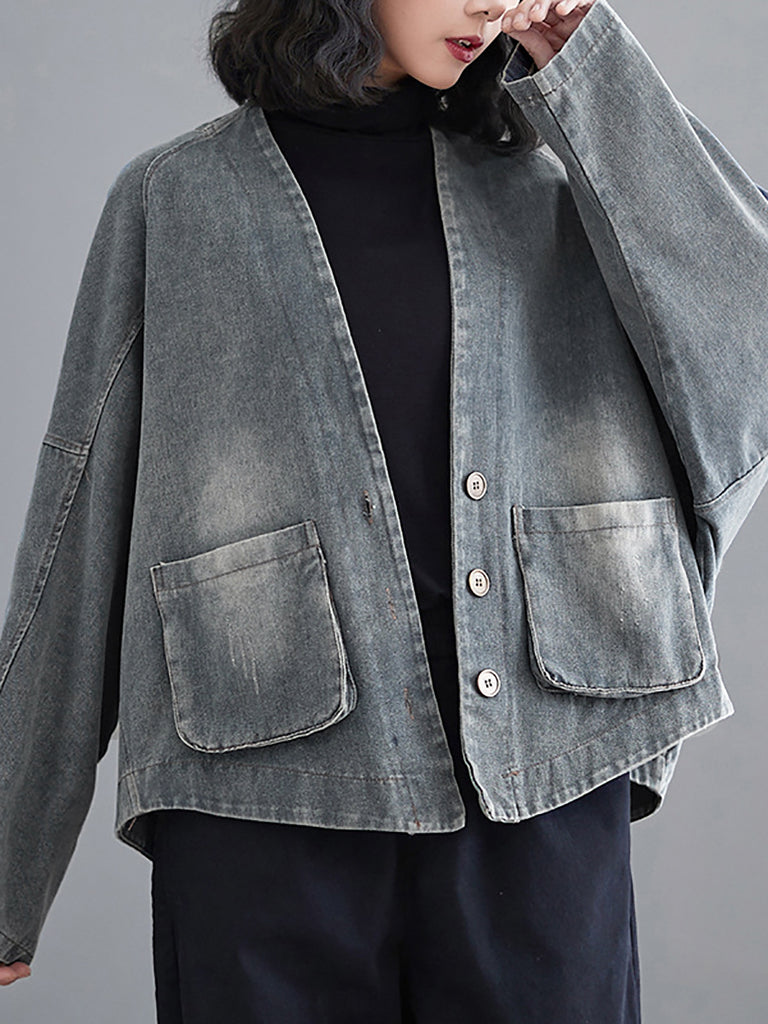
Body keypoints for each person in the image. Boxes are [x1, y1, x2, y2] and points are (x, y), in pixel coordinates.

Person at [1, 0, 767, 1019]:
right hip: (261, 797)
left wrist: (591, 65)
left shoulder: (562, 184)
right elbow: (79, 514)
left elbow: (748, 363)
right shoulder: (176, 202)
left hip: (540, 790)